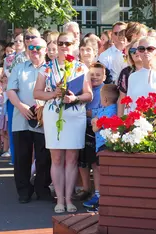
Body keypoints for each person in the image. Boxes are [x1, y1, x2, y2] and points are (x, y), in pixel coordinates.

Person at [33, 32, 92, 213]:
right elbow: (37, 93)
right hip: (53, 115)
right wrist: (54, 94)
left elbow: (88, 94)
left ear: (74, 45)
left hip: (74, 115)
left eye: (67, 43)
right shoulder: (47, 68)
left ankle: (69, 198)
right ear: (56, 45)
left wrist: (75, 98)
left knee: (72, 159)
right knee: (57, 158)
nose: (64, 46)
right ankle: (59, 199)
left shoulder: (81, 68)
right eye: (60, 43)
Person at [7, 37, 52, 204]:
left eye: (38, 47)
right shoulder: (19, 68)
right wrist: (21, 107)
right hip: (22, 118)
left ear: (45, 50)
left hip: (44, 119)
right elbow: (10, 90)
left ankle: (42, 189)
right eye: (31, 47)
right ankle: (24, 191)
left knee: (44, 157)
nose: (35, 50)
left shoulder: (51, 69)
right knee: (21, 157)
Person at [84, 83, 119, 211]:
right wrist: (95, 119)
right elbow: (94, 115)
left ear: (104, 99)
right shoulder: (113, 109)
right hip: (106, 145)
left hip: (104, 146)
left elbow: (95, 127)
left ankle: (103, 202)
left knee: (104, 173)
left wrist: (94, 121)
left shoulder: (106, 112)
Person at [75, 63, 106, 202]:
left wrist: (88, 112)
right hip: (81, 127)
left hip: (97, 130)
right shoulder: (82, 89)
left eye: (98, 75)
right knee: (82, 161)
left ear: (104, 76)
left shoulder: (104, 91)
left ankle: (98, 192)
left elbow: (107, 110)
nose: (94, 78)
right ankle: (86, 188)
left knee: (95, 163)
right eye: (91, 75)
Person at [117, 39, 143, 116]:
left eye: (140, 49)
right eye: (133, 50)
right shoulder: (126, 73)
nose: (136, 52)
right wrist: (120, 120)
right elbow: (122, 98)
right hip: (131, 113)